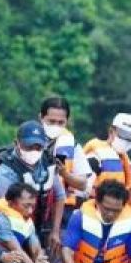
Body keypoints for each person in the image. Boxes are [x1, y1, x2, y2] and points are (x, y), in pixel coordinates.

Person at [0, 120, 65, 258]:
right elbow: (14, 214)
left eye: (38, 147)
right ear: (16, 143)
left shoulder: (47, 163)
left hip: (41, 223)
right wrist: (36, 251)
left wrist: (55, 231)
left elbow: (60, 196)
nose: (33, 151)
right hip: (11, 229)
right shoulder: (5, 173)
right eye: (28, 147)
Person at [39, 97, 93, 247]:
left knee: (56, 261)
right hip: (32, 207)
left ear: (67, 121)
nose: (56, 125)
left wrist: (65, 174)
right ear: (41, 118)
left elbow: (83, 184)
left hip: (62, 214)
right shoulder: (30, 142)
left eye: (60, 122)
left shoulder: (73, 146)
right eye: (51, 121)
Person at [83, 112, 131, 197]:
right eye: (123, 137)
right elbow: (82, 188)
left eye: (129, 139)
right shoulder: (95, 157)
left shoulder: (127, 163)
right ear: (111, 131)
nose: (125, 142)